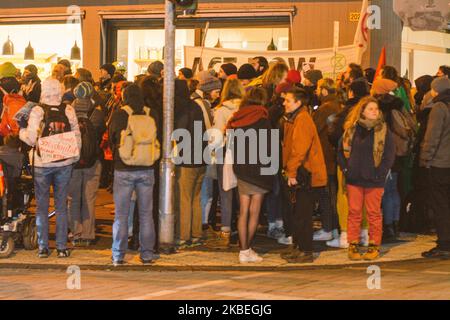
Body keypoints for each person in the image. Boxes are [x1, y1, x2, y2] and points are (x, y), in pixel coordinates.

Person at [19, 78, 81, 258]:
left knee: (41, 206)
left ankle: (43, 247)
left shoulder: (38, 111)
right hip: (64, 162)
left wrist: (21, 132)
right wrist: (74, 156)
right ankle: (61, 247)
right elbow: (77, 136)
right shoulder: (68, 109)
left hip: (42, 163)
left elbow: (31, 139)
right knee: (61, 205)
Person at [338, 96, 395, 261]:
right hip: (354, 179)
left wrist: (380, 173)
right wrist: (347, 169)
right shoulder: (351, 129)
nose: (374, 112)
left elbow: (389, 155)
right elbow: (341, 153)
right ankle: (353, 243)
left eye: (376, 109)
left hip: (374, 180)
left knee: (374, 213)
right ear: (362, 111)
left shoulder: (384, 131)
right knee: (354, 212)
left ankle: (374, 244)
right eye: (370, 109)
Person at [109, 84, 159, 266]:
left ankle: (118, 254)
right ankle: (146, 254)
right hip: (146, 168)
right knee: (146, 214)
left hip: (123, 168)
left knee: (121, 215)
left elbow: (113, 136)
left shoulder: (121, 114)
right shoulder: (150, 113)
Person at [226, 87, 274, 263]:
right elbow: (270, 148)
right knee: (255, 212)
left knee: (243, 211)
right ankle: (248, 249)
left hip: (241, 170)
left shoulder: (236, 119)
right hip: (259, 170)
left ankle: (243, 250)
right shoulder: (262, 119)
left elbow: (230, 146)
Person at [280, 88, 327, 263]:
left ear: (298, 103)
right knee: (297, 213)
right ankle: (298, 246)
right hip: (301, 171)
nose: (284, 103)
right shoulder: (294, 118)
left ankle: (305, 250)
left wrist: (291, 172)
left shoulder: (302, 119)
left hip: (306, 173)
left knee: (303, 214)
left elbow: (299, 150)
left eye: (288, 100)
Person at [326, 78, 370, 248]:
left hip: (348, 161)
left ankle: (347, 235)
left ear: (351, 92)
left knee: (344, 197)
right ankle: (364, 234)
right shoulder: (373, 109)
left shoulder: (348, 111)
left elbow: (335, 134)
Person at [67, 82, 106, 247]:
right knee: (89, 198)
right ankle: (89, 235)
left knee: (73, 198)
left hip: (73, 160)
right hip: (92, 161)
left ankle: (76, 233)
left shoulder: (69, 112)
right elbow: (101, 134)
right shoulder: (97, 113)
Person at [208, 78, 244, 248]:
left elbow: (215, 136)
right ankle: (242, 230)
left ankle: (226, 231)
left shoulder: (221, 110)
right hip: (244, 152)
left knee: (226, 191)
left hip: (225, 151)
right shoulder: (245, 108)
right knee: (243, 192)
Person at [173, 79, 208, 247]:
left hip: (187, 158)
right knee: (195, 197)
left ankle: (183, 235)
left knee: (184, 198)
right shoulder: (195, 106)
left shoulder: (181, 109)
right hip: (202, 156)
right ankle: (196, 234)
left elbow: (179, 133)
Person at [420, 77, 450, 259]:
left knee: (440, 205)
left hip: (439, 163)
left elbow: (433, 136)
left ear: (436, 90)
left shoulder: (439, 107)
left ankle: (444, 243)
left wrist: (425, 159)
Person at [312, 78, 342, 241]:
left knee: (326, 194)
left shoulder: (325, 108)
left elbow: (314, 130)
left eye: (318, 88)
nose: (316, 91)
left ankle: (328, 228)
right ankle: (334, 228)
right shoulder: (338, 105)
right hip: (333, 156)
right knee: (333, 193)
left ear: (324, 90)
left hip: (324, 157)